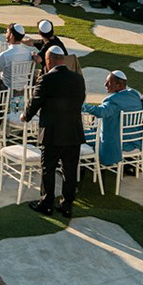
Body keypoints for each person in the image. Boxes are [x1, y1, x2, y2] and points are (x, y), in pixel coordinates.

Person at [23, 48, 85, 217]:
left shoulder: (46, 79)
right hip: (73, 131)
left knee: (48, 168)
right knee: (70, 171)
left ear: (49, 60)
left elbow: (35, 102)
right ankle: (66, 205)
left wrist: (25, 116)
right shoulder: (78, 78)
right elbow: (80, 100)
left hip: (53, 132)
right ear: (62, 60)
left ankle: (46, 203)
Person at [82, 69, 143, 168]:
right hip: (135, 141)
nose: (105, 84)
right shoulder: (134, 95)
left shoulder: (113, 100)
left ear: (119, 85)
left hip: (116, 143)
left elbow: (102, 112)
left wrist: (82, 106)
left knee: (78, 134)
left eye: (109, 82)